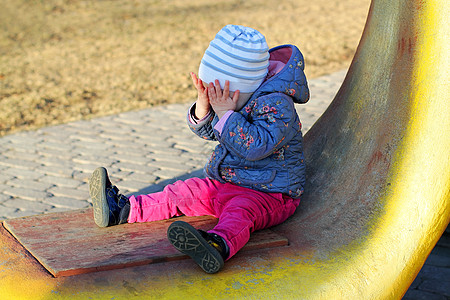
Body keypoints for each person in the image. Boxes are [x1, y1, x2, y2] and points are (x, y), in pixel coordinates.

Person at [88, 24, 309, 274]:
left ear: (242, 88)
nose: (217, 102)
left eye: (218, 95)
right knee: (183, 191)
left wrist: (226, 113)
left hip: (270, 194)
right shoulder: (238, 97)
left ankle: (217, 244)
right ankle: (124, 209)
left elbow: (257, 146)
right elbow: (216, 132)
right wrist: (204, 108)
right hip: (226, 184)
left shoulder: (278, 104)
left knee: (240, 214)